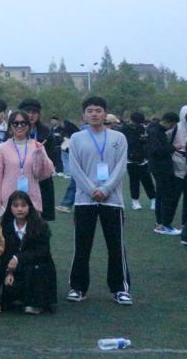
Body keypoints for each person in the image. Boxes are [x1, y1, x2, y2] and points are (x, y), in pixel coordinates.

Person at [66, 96, 132, 305]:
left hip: (112, 200)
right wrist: (91, 189)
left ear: (105, 114)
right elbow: (75, 168)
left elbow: (121, 167)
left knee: (116, 246)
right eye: (90, 111)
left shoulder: (118, 138)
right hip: (85, 200)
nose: (94, 114)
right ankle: (78, 287)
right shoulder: (76, 138)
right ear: (84, 115)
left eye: (98, 110)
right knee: (82, 246)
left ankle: (120, 289)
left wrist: (105, 189)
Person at [0, 190, 57, 314]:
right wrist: (9, 272)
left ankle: (38, 303)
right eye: (15, 206)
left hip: (35, 268)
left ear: (29, 207)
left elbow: (43, 252)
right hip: (14, 269)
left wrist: (17, 258)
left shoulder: (40, 226)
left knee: (37, 268)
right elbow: (4, 252)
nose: (20, 209)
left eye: (23, 205)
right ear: (10, 208)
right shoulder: (4, 226)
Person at [0, 110, 55, 218]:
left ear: (29, 126)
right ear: (10, 126)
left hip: (31, 201)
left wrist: (39, 154)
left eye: (23, 123)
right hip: (8, 202)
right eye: (15, 123)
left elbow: (42, 174)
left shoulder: (37, 146)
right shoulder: (1, 148)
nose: (19, 126)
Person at [19, 98, 58, 221]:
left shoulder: (46, 132)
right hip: (20, 177)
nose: (31, 115)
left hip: (42, 180)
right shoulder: (13, 131)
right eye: (27, 112)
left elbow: (52, 156)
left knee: (40, 221)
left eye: (34, 112)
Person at [148, 110, 185, 236]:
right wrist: (174, 147)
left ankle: (160, 223)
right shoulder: (156, 132)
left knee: (161, 195)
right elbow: (158, 150)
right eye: (173, 125)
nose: (173, 127)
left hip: (160, 168)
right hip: (161, 168)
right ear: (169, 122)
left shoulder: (157, 130)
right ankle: (164, 225)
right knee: (165, 196)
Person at [124, 112, 156, 211]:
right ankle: (135, 201)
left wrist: (144, 140)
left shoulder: (142, 129)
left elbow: (147, 142)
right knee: (134, 181)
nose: (138, 125)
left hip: (143, 160)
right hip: (130, 160)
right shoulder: (124, 129)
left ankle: (153, 199)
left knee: (147, 180)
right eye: (136, 123)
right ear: (131, 120)